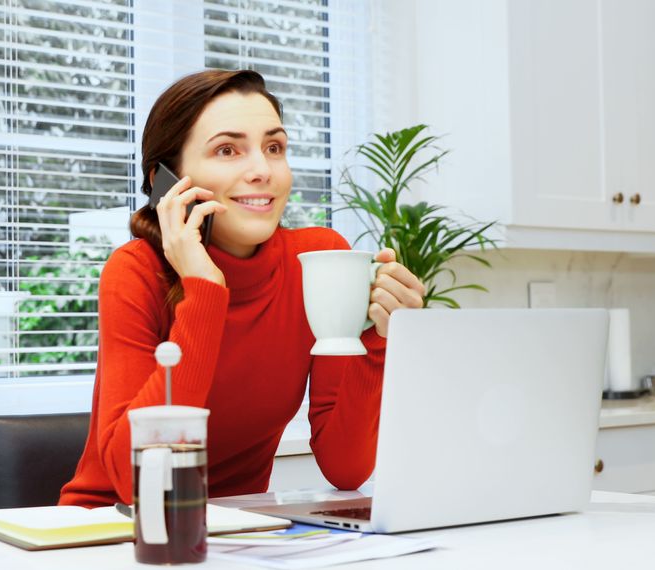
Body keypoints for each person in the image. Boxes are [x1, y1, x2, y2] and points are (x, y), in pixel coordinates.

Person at [58, 69, 426, 508]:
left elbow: (346, 470)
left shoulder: (318, 260)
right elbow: (134, 480)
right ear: (167, 181)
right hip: (116, 530)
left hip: (240, 533)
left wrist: (376, 338)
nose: (261, 171)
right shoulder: (136, 272)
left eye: (274, 148)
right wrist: (205, 292)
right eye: (228, 150)